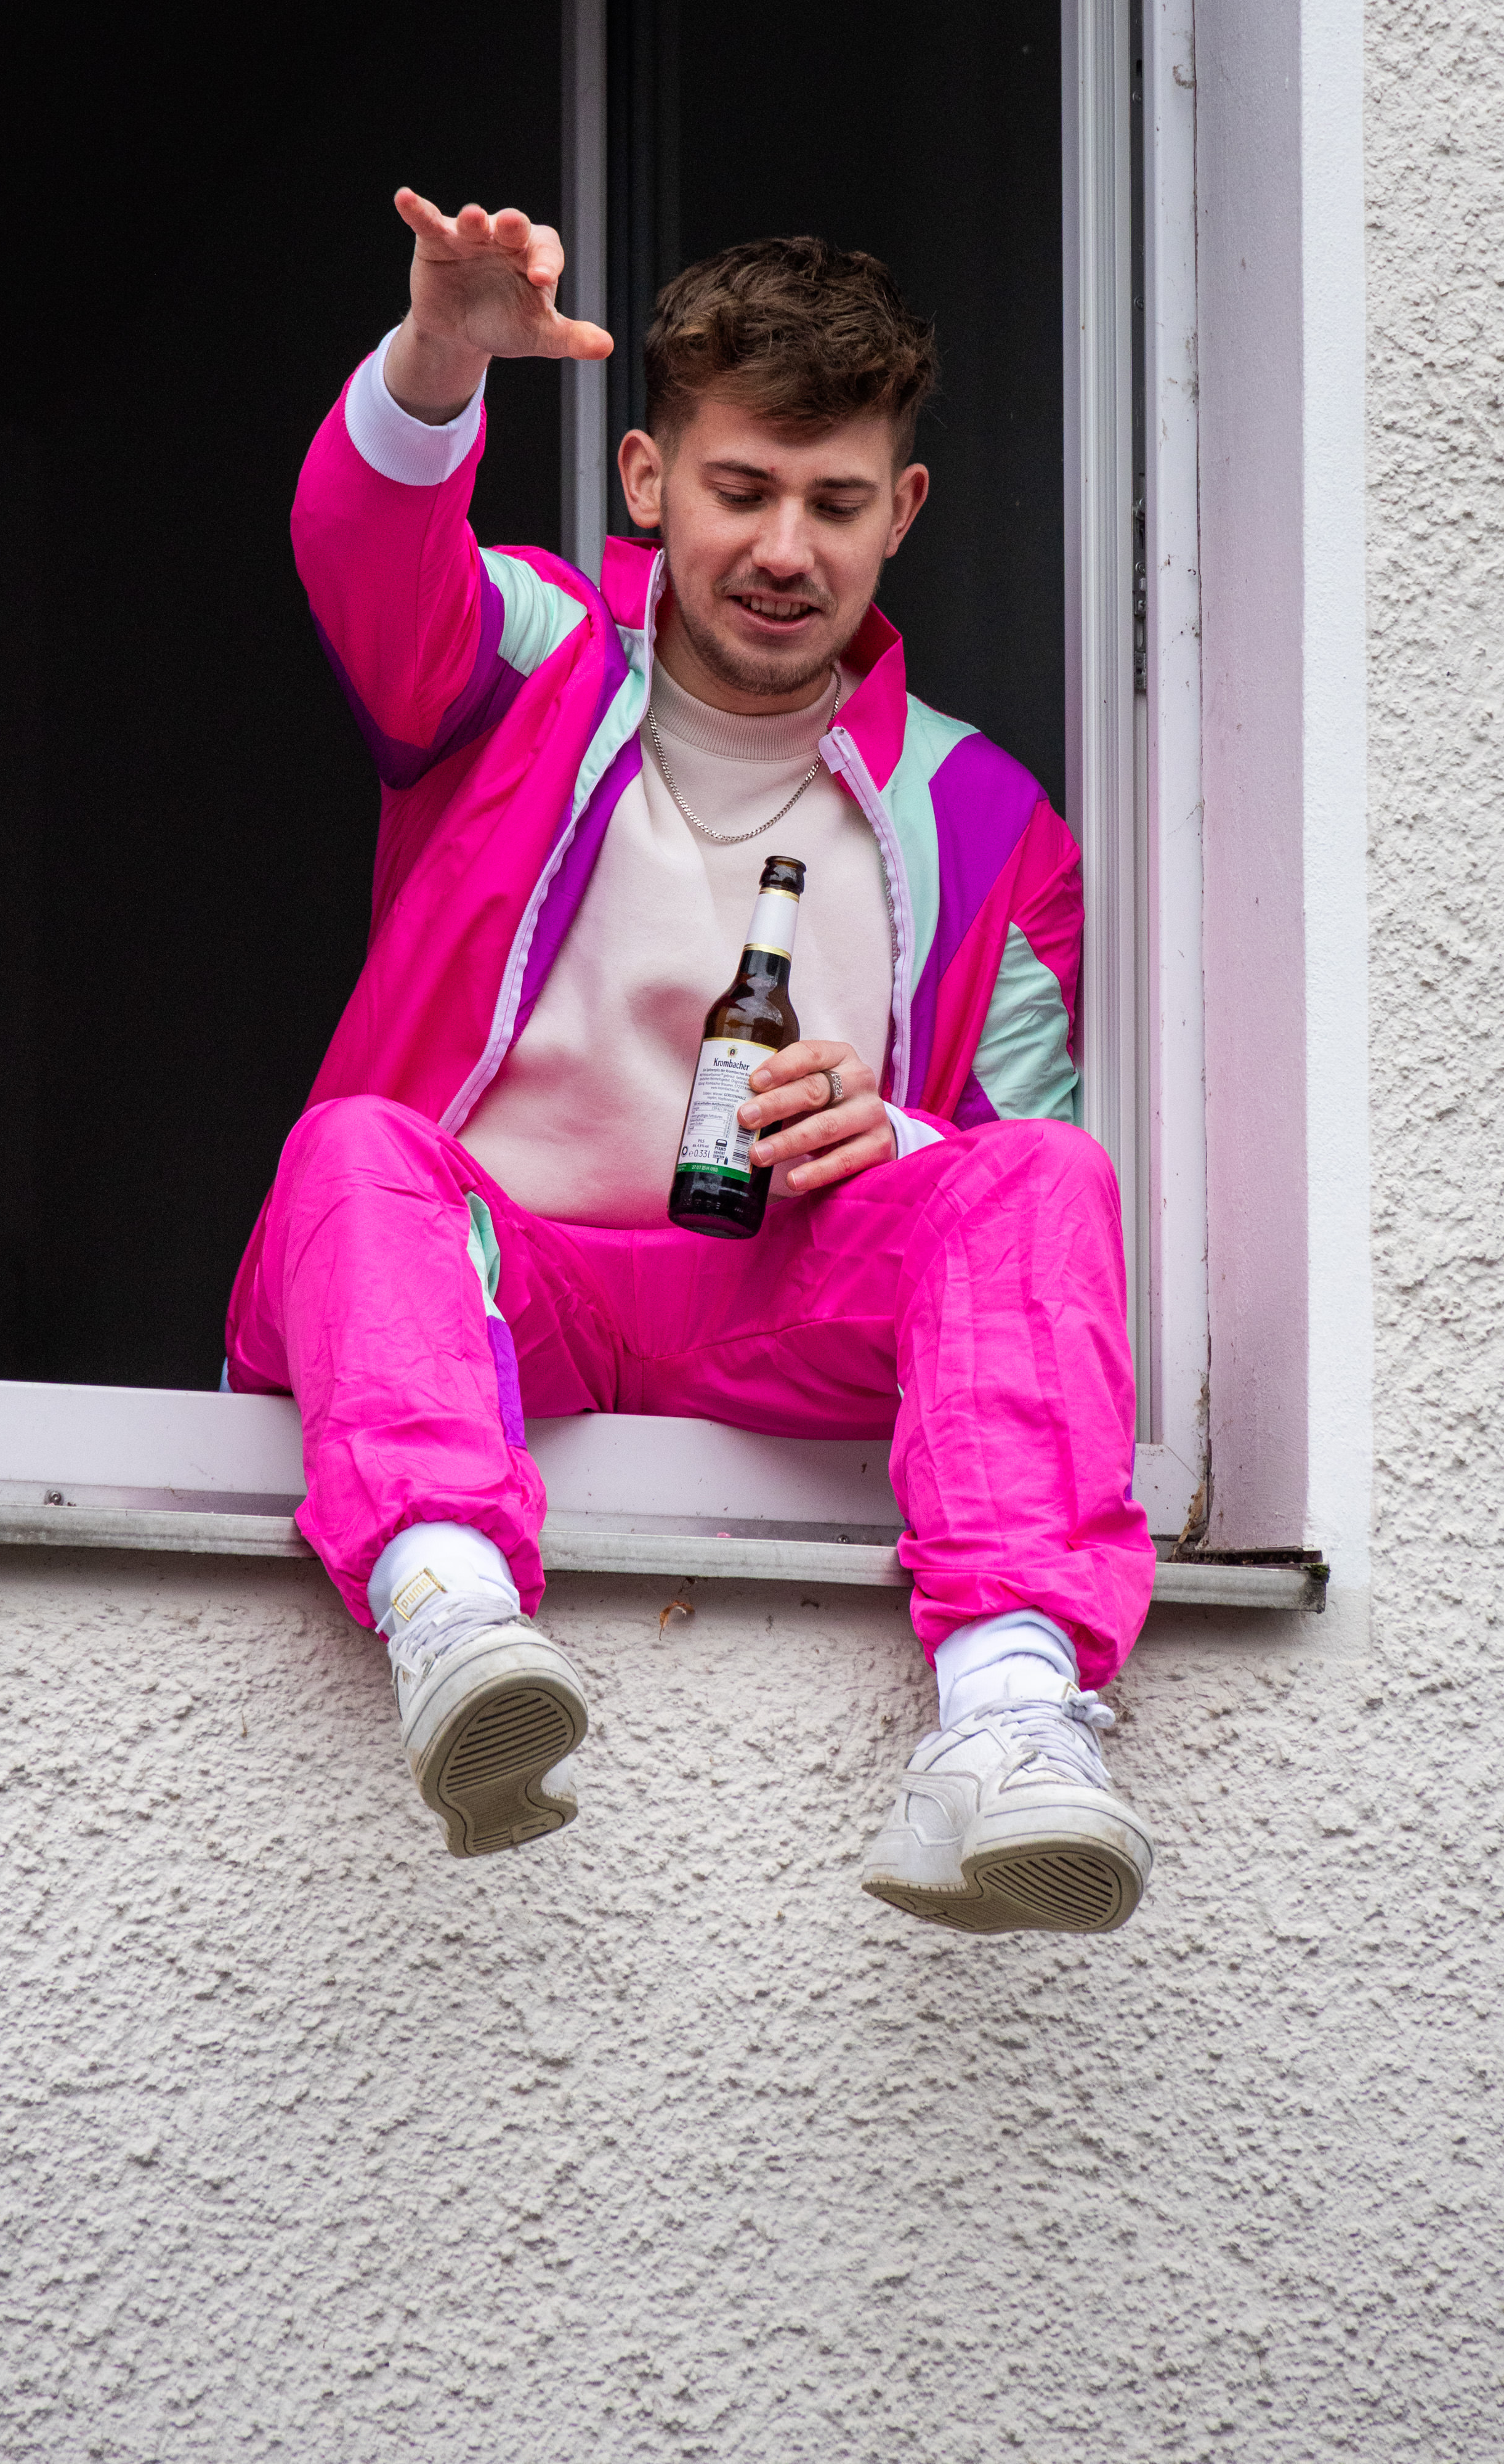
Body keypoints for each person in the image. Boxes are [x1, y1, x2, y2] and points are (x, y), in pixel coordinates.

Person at [225, 190, 1158, 1934]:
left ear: (904, 512)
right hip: (491, 1287)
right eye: (743, 490)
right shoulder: (533, 653)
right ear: (650, 482)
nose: (785, 549)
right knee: (351, 1144)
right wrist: (438, 356)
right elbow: (364, 551)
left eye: (835, 503)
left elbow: (1029, 1205)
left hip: (781, 1321)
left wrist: (895, 1139)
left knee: (1047, 1177)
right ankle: (449, 1611)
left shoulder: (987, 813)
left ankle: (1013, 1715)